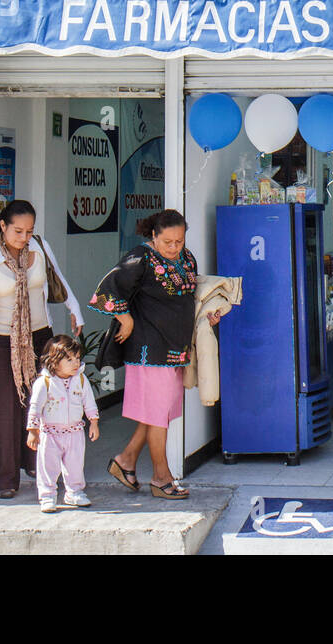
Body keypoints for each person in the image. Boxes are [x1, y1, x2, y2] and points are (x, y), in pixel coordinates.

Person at [91, 209, 225, 499]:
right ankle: (160, 478)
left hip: (177, 348)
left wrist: (206, 315)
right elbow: (105, 292)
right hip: (149, 349)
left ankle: (125, 460)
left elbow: (190, 295)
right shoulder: (140, 257)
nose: (174, 247)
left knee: (158, 415)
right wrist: (125, 318)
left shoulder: (187, 257)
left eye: (179, 240)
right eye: (168, 242)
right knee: (158, 415)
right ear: (154, 235)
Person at [0, 200, 83, 499]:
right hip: (1, 340)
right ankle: (5, 477)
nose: (24, 237)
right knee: (5, 407)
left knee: (42, 400)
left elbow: (57, 278)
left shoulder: (39, 248)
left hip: (40, 336)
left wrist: (75, 309)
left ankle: (37, 464)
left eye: (29, 231)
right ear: (2, 226)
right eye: (18, 231)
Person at [26, 334, 99, 513]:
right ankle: (47, 496)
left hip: (74, 432)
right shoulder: (45, 382)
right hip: (50, 434)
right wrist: (33, 430)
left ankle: (74, 492)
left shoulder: (81, 380)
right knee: (47, 465)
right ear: (54, 361)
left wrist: (94, 422)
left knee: (75, 464)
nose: (75, 363)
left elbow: (89, 402)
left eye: (77, 358)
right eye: (69, 359)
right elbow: (35, 406)